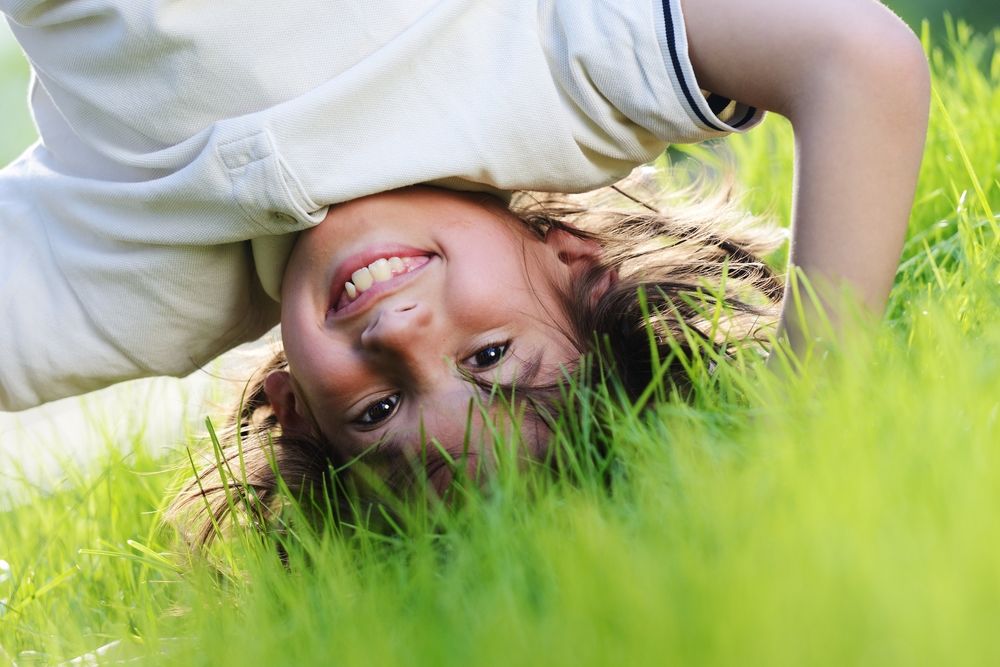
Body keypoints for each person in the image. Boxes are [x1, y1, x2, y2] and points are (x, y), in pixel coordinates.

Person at [0, 0, 929, 533]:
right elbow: (857, 58)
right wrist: (806, 412)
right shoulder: (558, 87)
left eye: (376, 411)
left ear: (293, 407)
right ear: (577, 264)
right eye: (489, 357)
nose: (400, 336)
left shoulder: (139, 291)